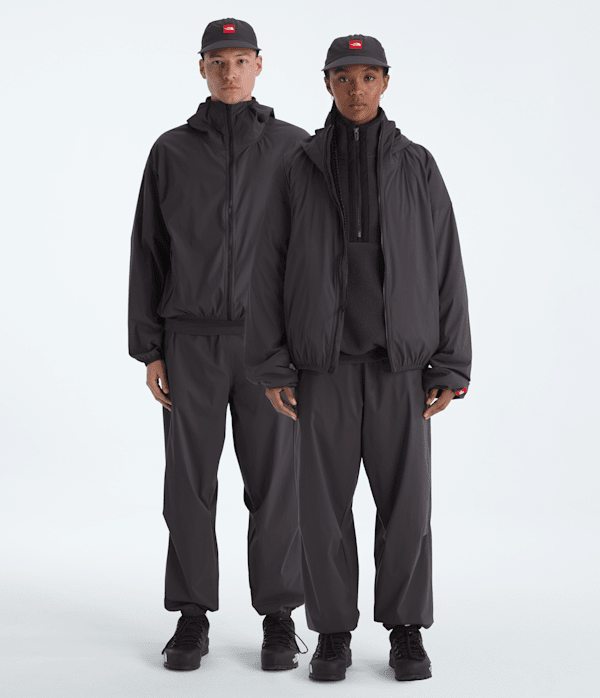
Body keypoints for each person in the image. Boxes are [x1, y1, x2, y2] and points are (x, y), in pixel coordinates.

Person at [244, 34, 472, 682]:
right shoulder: (298, 166)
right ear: (327, 84)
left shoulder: (417, 166)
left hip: (402, 369)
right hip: (325, 369)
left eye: (368, 76)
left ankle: (406, 631)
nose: (356, 89)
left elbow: (447, 265)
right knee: (321, 511)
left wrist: (451, 364)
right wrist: (273, 363)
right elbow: (268, 269)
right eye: (344, 78)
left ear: (385, 82)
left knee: (408, 508)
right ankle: (332, 633)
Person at [127, 17, 309, 672]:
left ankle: (280, 616)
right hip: (190, 344)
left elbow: (315, 257)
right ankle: (191, 616)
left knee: (277, 485)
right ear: (201, 67)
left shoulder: (295, 148)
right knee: (188, 485)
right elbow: (148, 251)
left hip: (269, 350)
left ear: (259, 64)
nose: (229, 72)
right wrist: (151, 348)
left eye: (240, 60)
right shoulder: (171, 152)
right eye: (217, 61)